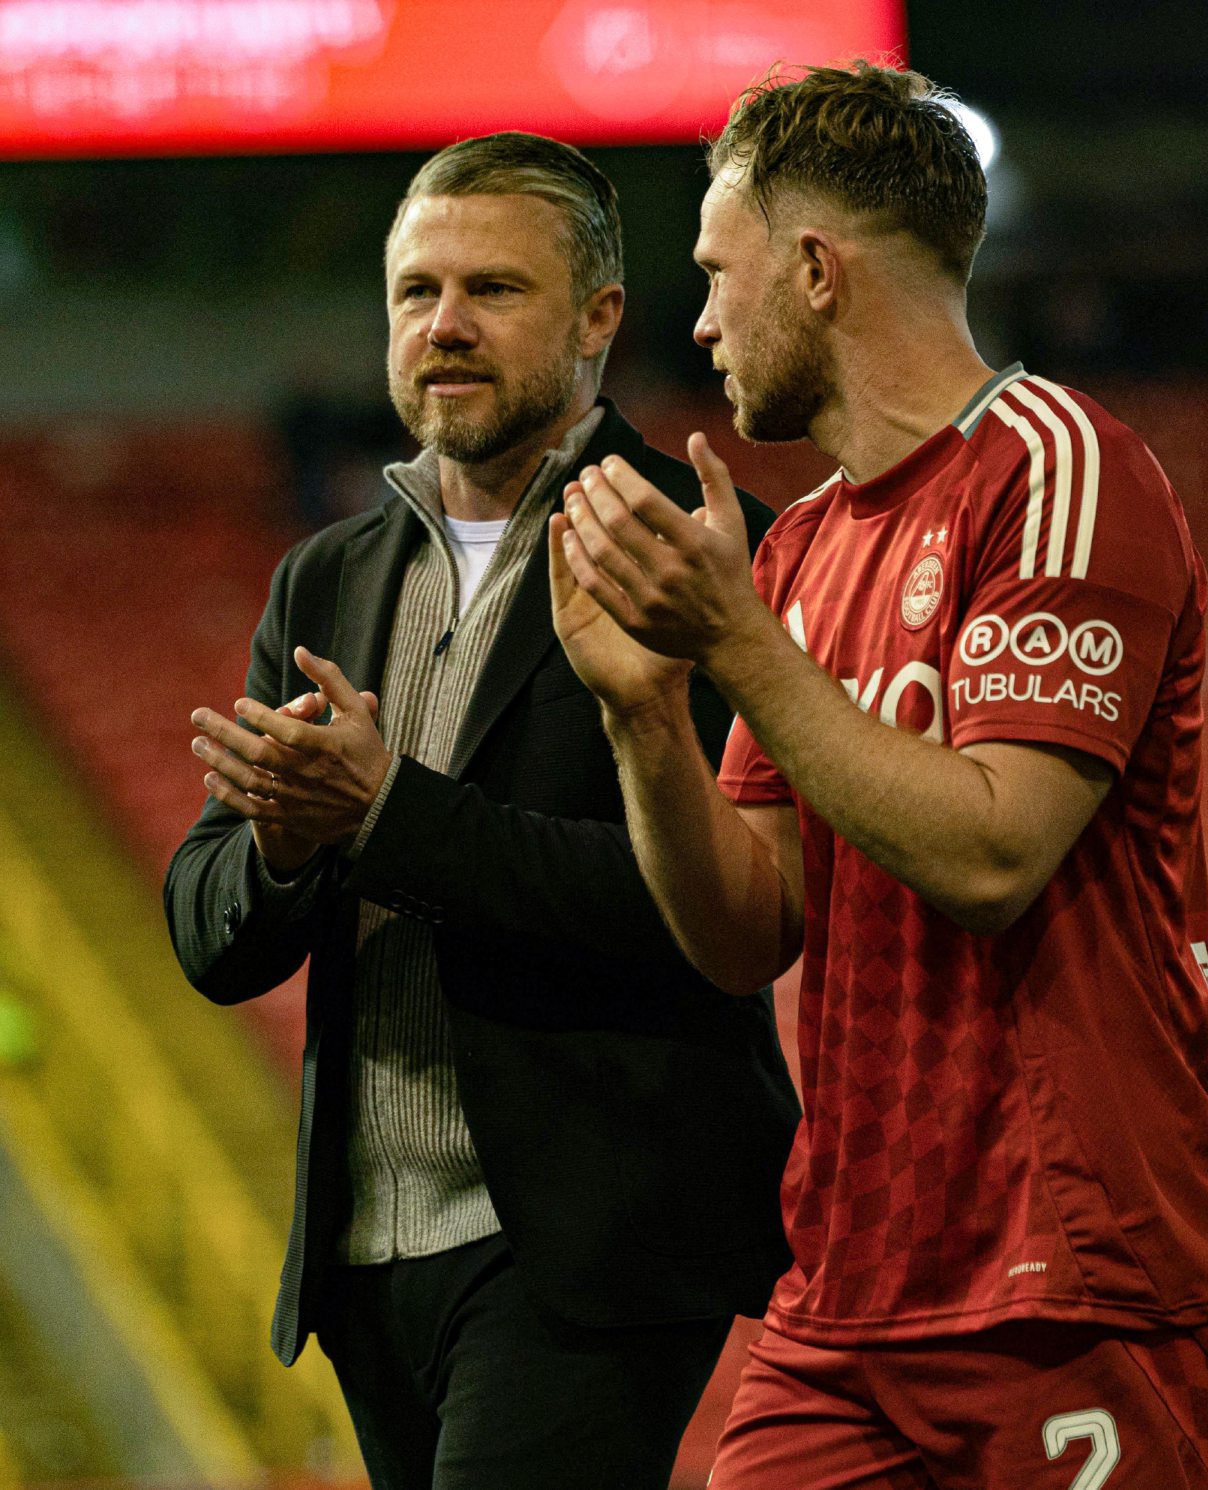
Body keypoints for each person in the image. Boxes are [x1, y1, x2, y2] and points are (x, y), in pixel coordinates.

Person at [551, 63, 1208, 1490]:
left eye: (714, 270)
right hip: (851, 1294)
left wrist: (741, 647)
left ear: (813, 270)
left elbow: (999, 853)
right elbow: (749, 927)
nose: (697, 318)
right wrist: (643, 717)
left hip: (1071, 1280)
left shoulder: (1062, 473)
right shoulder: (800, 548)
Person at [164, 132, 799, 1490]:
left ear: (598, 317)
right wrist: (280, 849)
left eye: (492, 290)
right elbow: (209, 926)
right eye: (415, 292)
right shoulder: (323, 577)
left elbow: (684, 898)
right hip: (362, 1254)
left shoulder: (687, 540)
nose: (443, 325)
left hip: (583, 1243)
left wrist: (386, 812)